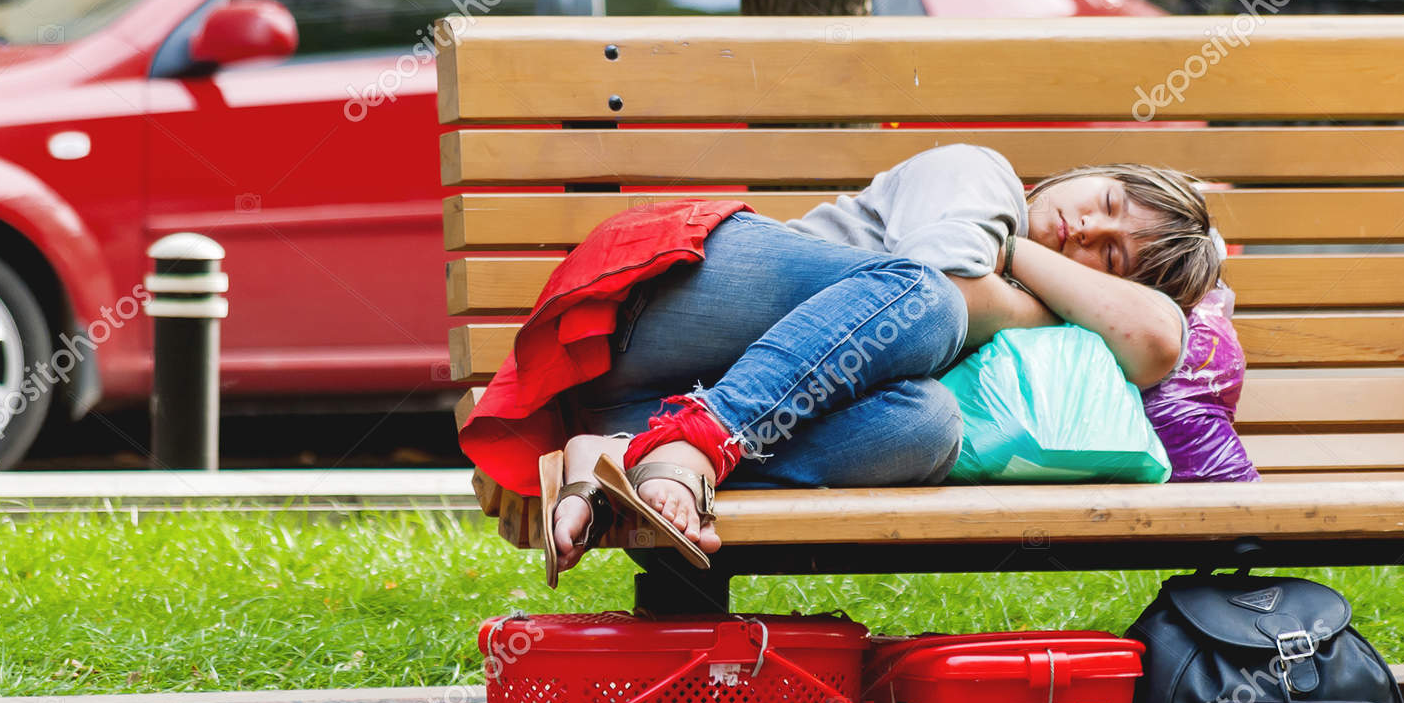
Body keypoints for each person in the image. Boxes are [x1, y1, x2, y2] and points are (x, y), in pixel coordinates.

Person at [458, 144, 1221, 584]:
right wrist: (1040, 274)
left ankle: (627, 455)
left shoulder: (1042, 290)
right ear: (1089, 171)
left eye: (1108, 257)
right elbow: (944, 281)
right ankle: (696, 442)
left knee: (929, 425)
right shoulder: (982, 176)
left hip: (658, 398)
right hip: (665, 303)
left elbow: (1155, 344)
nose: (1083, 227)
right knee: (930, 302)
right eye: (1106, 201)